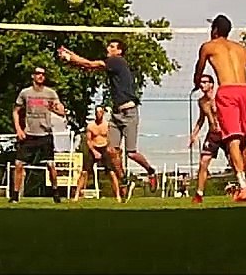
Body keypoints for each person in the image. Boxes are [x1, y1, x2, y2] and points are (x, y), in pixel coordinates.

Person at [59, 39, 159, 201]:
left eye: (112, 46)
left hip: (129, 113)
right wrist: (71, 56)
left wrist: (71, 57)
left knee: (131, 153)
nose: (108, 48)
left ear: (119, 51)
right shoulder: (113, 64)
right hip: (116, 114)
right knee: (111, 150)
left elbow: (92, 65)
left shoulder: (117, 61)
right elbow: (88, 66)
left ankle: (150, 171)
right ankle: (124, 180)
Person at [193, 14, 246, 202]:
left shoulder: (208, 47)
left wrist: (195, 82)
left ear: (215, 30)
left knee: (232, 139)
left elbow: (199, 71)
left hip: (228, 92)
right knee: (241, 141)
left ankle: (243, 187)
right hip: (245, 92)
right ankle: (245, 178)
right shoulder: (241, 48)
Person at [11, 66, 66, 203]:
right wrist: (18, 129)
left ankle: (55, 192)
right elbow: (15, 111)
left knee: (50, 165)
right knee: (18, 164)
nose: (40, 76)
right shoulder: (25, 93)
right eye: (38, 74)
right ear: (33, 76)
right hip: (29, 134)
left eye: (43, 74)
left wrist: (56, 109)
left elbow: (62, 111)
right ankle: (15, 195)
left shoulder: (50, 93)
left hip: (45, 134)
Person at [188, 73, 226, 204]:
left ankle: (243, 187)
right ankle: (199, 193)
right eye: (201, 82)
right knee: (203, 162)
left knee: (234, 161)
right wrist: (194, 134)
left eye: (205, 82)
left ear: (211, 84)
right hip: (212, 134)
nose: (202, 85)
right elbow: (201, 119)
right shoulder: (202, 102)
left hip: (225, 133)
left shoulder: (220, 97)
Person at [75, 106, 109, 201]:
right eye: (96, 112)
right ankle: (77, 195)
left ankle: (118, 196)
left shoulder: (107, 125)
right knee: (84, 172)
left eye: (100, 112)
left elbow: (110, 139)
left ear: (103, 113)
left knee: (112, 172)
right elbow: (89, 140)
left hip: (104, 147)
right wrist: (94, 152)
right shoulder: (91, 126)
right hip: (93, 149)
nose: (98, 114)